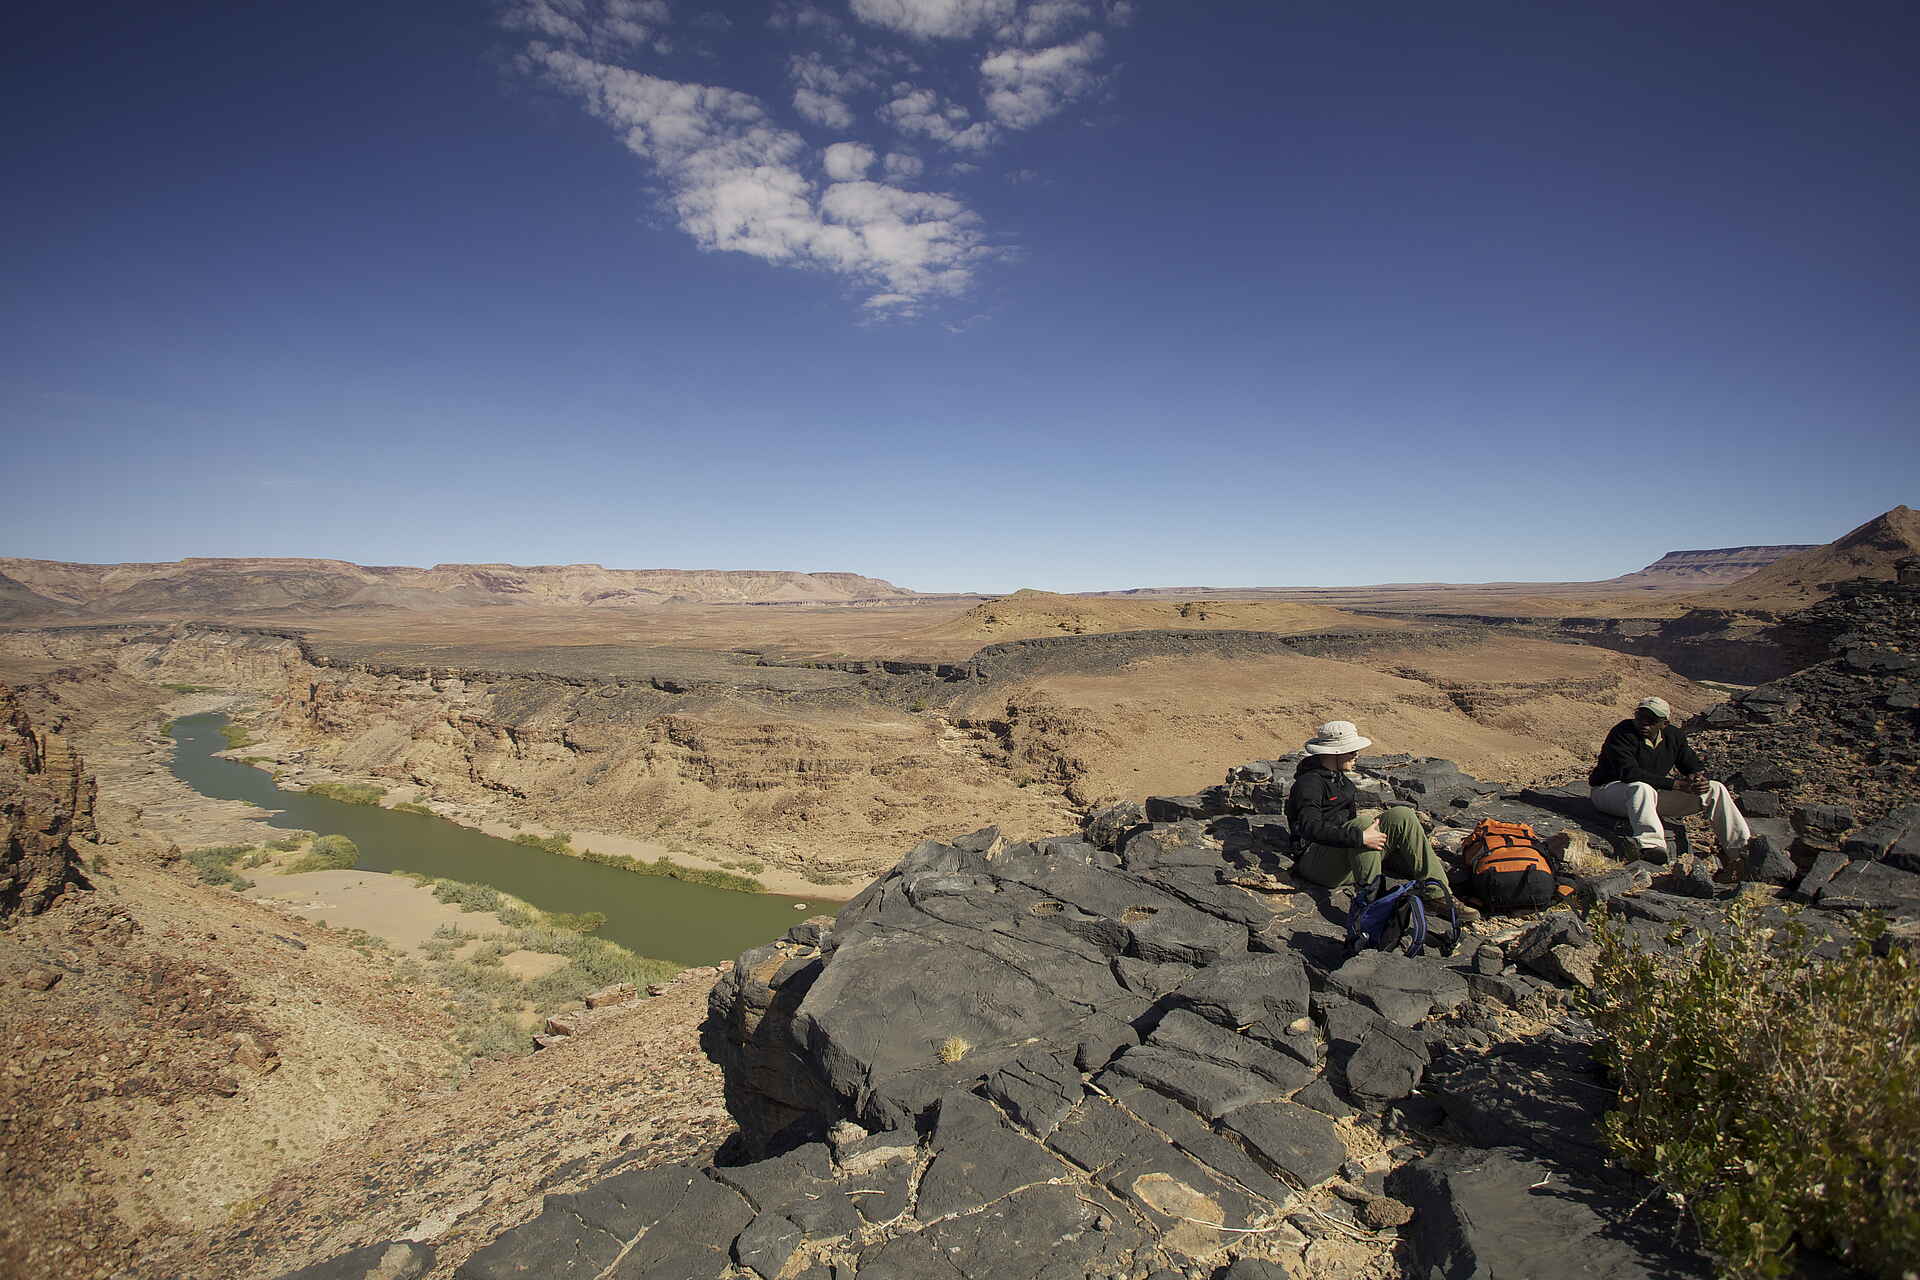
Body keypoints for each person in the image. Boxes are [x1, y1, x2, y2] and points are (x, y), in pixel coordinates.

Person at [1288, 720, 1449, 894]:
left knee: (1402, 815)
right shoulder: (1309, 783)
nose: (1356, 755)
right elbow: (1309, 827)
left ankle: (1438, 894)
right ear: (1335, 752)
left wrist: (1363, 838)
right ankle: (1372, 900)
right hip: (1316, 865)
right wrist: (1360, 837)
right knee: (1363, 825)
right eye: (1352, 751)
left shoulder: (1343, 782)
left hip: (1344, 857)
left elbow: (1349, 822)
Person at [1589, 696, 1749, 858]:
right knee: (1641, 787)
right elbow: (1629, 773)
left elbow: (1690, 762)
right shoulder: (1622, 733)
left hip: (1648, 798)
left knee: (1715, 788)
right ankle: (1651, 846)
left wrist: (1697, 778)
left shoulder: (1673, 736)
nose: (1644, 723)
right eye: (1640, 717)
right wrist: (1678, 785)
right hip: (1609, 792)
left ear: (1664, 724)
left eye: (1651, 720)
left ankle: (1741, 850)